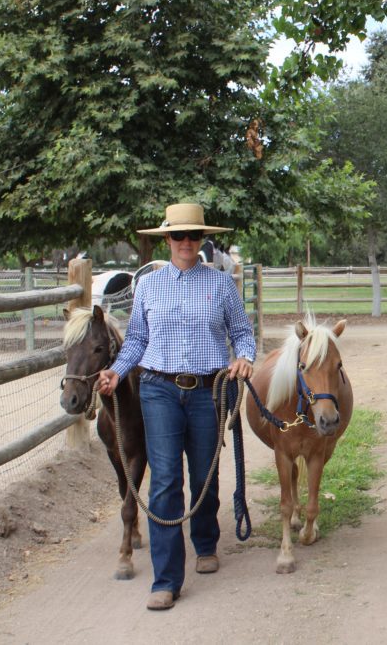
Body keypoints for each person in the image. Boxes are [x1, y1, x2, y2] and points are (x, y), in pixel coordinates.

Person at [95, 203, 256, 611]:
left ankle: (205, 542)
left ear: (202, 239)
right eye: (179, 235)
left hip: (207, 390)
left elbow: (242, 332)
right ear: (167, 239)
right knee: (165, 480)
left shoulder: (222, 284)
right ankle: (166, 579)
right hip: (159, 390)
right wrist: (116, 372)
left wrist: (244, 357)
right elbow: (136, 340)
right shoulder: (148, 286)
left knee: (203, 473)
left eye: (193, 235)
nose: (187, 242)